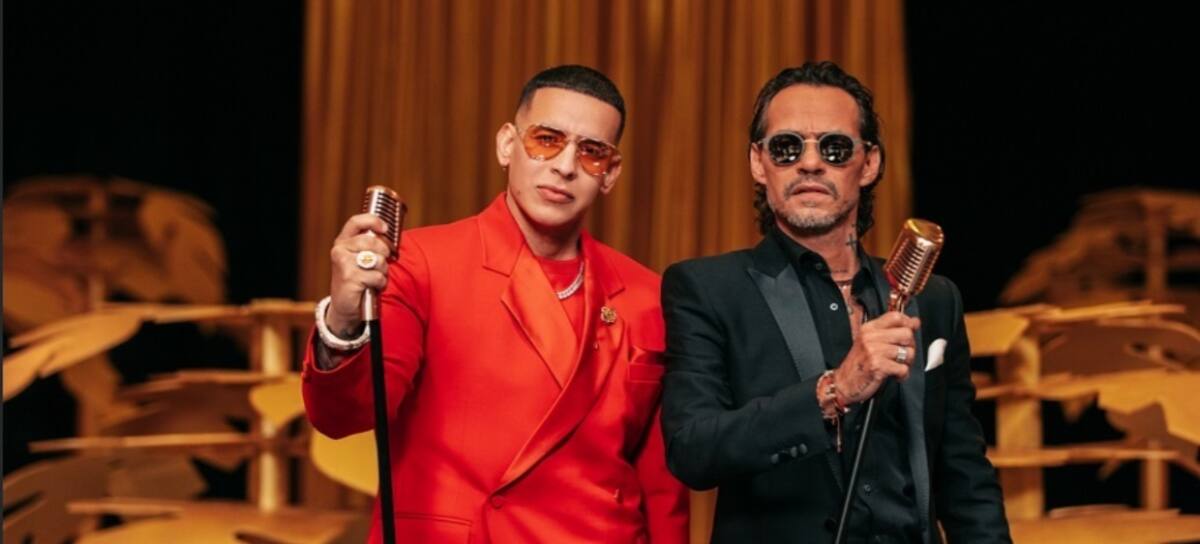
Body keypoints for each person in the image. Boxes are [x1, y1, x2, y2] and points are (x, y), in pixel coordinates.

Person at [303, 65, 688, 543]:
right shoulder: (423, 263)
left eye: (591, 152)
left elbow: (662, 489)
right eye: (546, 140)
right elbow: (346, 415)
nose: (565, 165)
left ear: (610, 173)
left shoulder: (647, 295)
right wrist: (343, 318)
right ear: (507, 144)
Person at [659, 61, 1010, 543]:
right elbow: (693, 450)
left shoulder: (933, 298)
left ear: (870, 163)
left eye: (834, 147)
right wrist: (834, 391)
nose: (810, 163)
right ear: (758, 163)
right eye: (786, 147)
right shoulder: (708, 288)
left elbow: (965, 475)